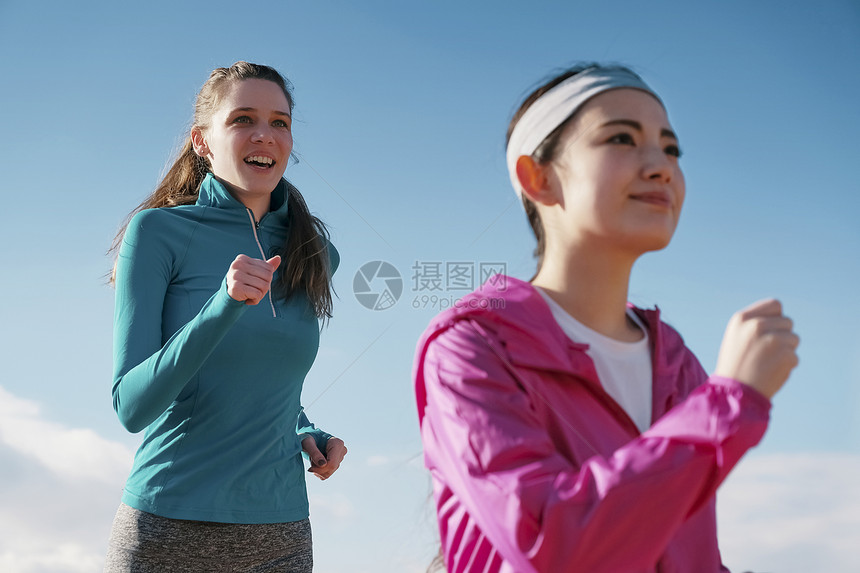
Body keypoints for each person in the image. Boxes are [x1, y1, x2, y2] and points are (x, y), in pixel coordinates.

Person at [413, 64, 799, 572]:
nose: (660, 165)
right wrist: (729, 403)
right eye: (622, 138)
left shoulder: (676, 361)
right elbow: (554, 546)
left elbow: (676, 550)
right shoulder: (470, 347)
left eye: (672, 148)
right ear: (538, 178)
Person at [104, 61, 347, 572]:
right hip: (169, 527)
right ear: (202, 141)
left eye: (279, 122)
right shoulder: (157, 234)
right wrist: (223, 306)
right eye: (243, 119)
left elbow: (265, 377)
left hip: (281, 534)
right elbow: (131, 405)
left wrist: (303, 429)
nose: (265, 134)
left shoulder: (313, 250)